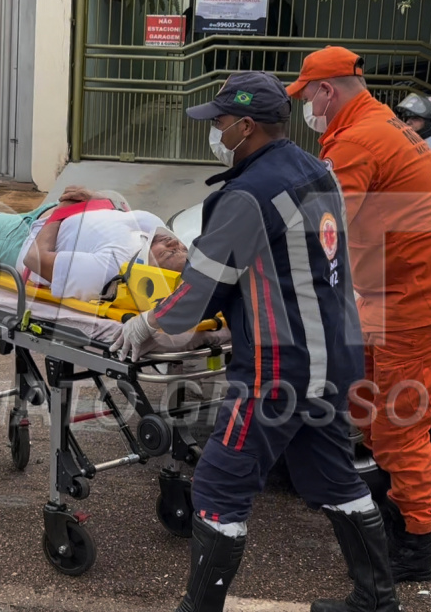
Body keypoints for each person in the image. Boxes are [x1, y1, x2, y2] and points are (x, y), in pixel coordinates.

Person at [115, 71, 401, 612]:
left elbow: (201, 286)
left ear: (246, 126)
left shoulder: (247, 193)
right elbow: (295, 267)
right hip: (332, 354)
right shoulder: (316, 171)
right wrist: (235, 318)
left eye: (220, 122)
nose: (215, 131)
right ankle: (376, 599)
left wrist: (149, 325)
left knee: (221, 484)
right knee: (333, 474)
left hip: (279, 366)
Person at [287, 46, 431, 582]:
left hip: (418, 303)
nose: (305, 106)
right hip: (401, 293)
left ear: (326, 91)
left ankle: (415, 544)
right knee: (368, 405)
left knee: (401, 424)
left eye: (306, 94)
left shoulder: (358, 140)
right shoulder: (381, 125)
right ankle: (387, 497)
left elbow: (327, 231)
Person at [0, 179, 189, 304]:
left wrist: (60, 213)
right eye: (180, 246)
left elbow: (35, 259)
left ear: (150, 272)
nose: (174, 244)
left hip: (27, 238)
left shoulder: (111, 268)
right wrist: (92, 198)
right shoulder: (154, 230)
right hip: (55, 217)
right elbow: (122, 209)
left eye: (170, 252)